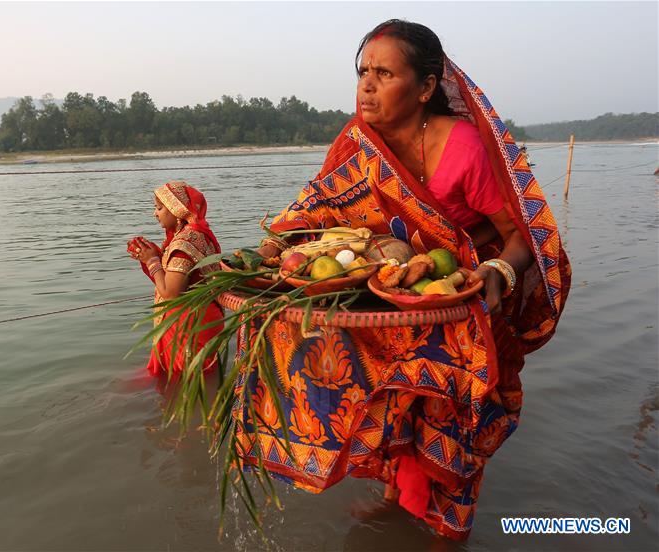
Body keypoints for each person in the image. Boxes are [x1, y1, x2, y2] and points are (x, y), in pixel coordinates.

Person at [239, 20, 571, 540]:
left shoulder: (462, 147)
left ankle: (445, 531)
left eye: (384, 73)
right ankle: (396, 501)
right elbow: (312, 215)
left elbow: (521, 235)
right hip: (391, 301)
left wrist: (498, 270)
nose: (366, 84)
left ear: (424, 88)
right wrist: (268, 250)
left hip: (457, 305)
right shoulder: (356, 143)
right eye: (362, 71)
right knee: (388, 406)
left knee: (450, 431)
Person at [128, 180, 223, 377]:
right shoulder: (193, 234)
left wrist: (152, 260)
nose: (155, 213)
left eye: (159, 208)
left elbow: (171, 293)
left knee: (183, 381)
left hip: (192, 323)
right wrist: (153, 256)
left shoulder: (185, 243)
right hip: (201, 316)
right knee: (189, 379)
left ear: (175, 209)